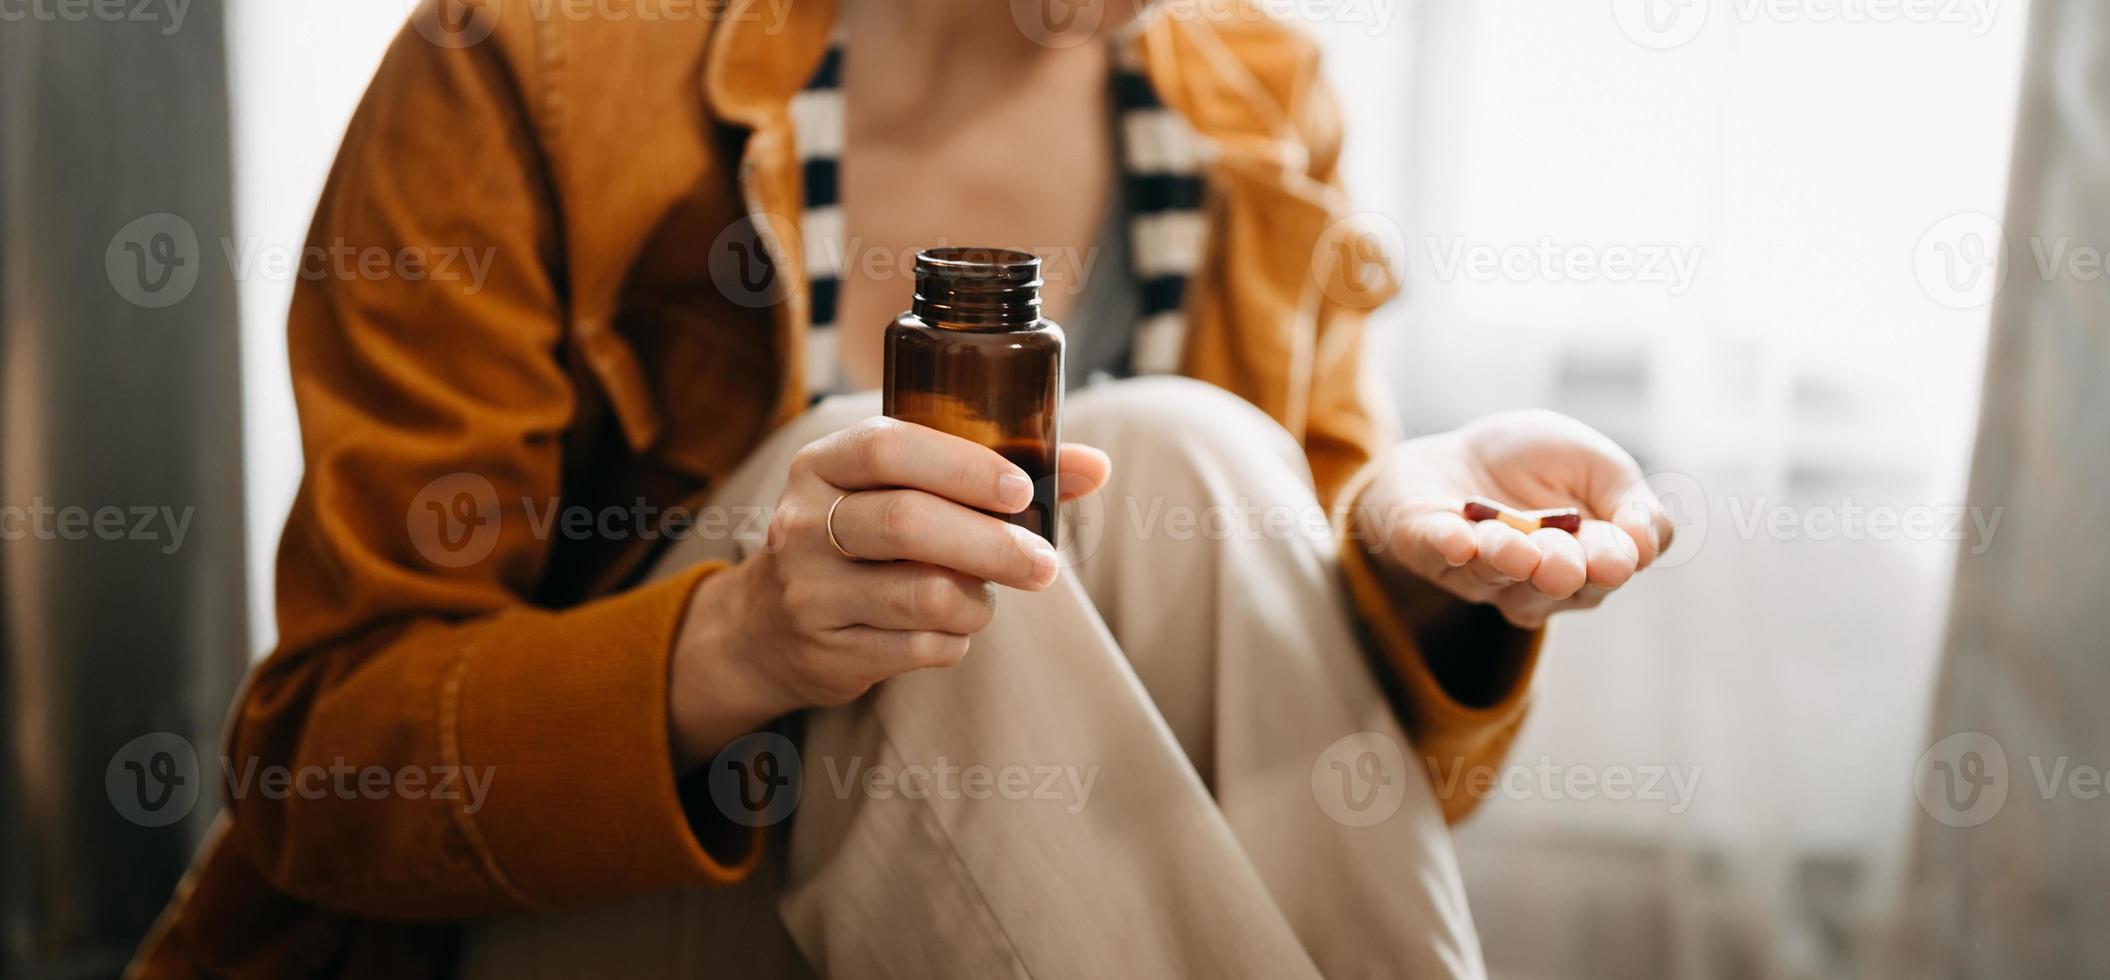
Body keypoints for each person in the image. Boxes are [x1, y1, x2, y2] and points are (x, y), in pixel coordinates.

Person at [130, 0, 1672, 977]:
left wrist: (1415, 573)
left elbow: (1365, 804)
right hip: (546, 922)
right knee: (913, 503)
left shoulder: (1252, 99)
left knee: (1200, 447)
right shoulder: (533, 53)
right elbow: (317, 769)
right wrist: (738, 646)